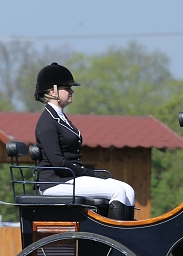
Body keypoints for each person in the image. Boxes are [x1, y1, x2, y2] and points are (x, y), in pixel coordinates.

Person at [33, 63, 137, 220]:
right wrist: (90, 173)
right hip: (55, 183)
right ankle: (113, 241)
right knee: (118, 191)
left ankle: (126, 236)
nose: (71, 91)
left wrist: (88, 174)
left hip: (69, 178)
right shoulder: (47, 122)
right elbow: (58, 163)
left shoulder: (60, 118)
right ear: (52, 91)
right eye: (67, 88)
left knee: (128, 189)